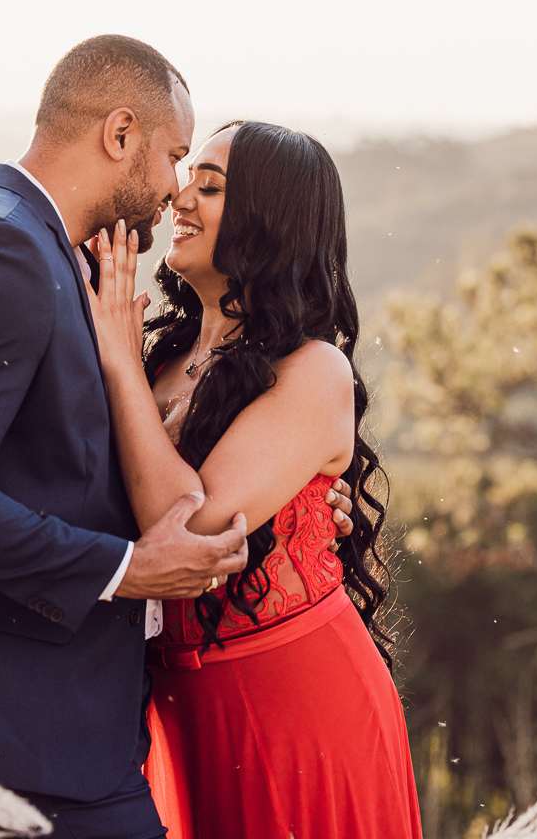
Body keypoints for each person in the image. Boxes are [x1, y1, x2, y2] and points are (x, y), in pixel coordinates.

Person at [0, 36, 355, 839]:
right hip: (7, 734)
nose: (172, 192)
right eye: (173, 158)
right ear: (119, 133)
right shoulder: (5, 249)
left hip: (71, 734)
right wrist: (125, 569)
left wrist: (300, 503)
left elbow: (70, 465)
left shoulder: (55, 257)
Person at [82, 120, 424, 839]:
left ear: (270, 222)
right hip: (179, 699)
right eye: (188, 178)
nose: (181, 198)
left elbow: (188, 531)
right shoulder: (163, 359)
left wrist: (115, 360)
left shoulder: (312, 370)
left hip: (293, 698)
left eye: (209, 186)